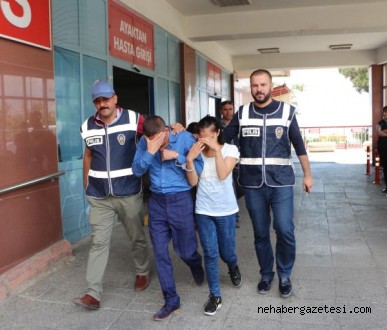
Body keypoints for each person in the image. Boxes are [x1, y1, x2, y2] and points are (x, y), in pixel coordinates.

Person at [223, 69, 313, 298]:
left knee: (284, 229)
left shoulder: (287, 112)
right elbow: (221, 138)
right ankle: (266, 273)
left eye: (263, 84)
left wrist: (307, 174)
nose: (259, 89)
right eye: (254, 85)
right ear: (250, 88)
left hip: (280, 182)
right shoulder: (242, 113)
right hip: (252, 184)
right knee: (261, 233)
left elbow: (299, 146)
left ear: (270, 86)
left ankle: (284, 273)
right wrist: (189, 134)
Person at [74, 81, 151, 310]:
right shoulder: (87, 125)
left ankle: (142, 271)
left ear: (115, 98)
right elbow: (87, 155)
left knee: (136, 236)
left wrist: (174, 130)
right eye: (97, 100)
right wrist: (86, 185)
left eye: (105, 99)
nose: (102, 103)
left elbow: (155, 133)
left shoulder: (134, 119)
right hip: (99, 195)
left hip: (128, 191)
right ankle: (93, 293)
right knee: (98, 242)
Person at [132, 115, 205, 321]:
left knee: (185, 250)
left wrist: (177, 157)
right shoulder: (145, 142)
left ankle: (195, 263)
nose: (152, 142)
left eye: (156, 139)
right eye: (149, 139)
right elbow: (137, 169)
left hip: (181, 200)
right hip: (156, 203)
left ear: (165, 132)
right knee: (160, 252)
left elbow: (199, 168)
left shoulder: (184, 138)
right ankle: (171, 301)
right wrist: (150, 151)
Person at [186, 115, 242, 316]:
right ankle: (215, 296)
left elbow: (223, 174)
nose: (204, 141)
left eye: (209, 137)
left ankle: (233, 266)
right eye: (201, 137)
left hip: (226, 211)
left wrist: (216, 149)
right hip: (203, 210)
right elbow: (193, 182)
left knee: (227, 253)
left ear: (217, 133)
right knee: (210, 253)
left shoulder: (230, 150)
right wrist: (190, 160)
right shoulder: (196, 152)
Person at [220, 100, 243, 228]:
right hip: (223, 159)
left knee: (240, 187)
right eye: (225, 109)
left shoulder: (239, 124)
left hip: (238, 158)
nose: (228, 112)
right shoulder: (217, 126)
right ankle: (234, 217)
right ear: (221, 111)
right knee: (230, 186)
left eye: (230, 109)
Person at [377, 106, 387, 193]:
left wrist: (385, 131)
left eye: (386, 112)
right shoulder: (380, 123)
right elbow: (379, 133)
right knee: (385, 167)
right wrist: (383, 132)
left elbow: (382, 132)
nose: (384, 113)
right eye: (384, 112)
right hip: (383, 147)